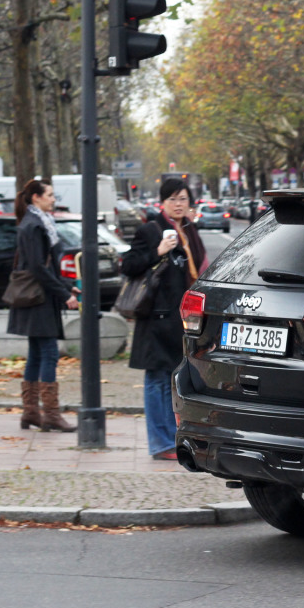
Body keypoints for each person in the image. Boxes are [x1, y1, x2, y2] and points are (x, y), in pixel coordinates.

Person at [121, 178, 207, 461]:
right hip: (157, 319)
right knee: (157, 380)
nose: (179, 204)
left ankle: (175, 437)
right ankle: (160, 443)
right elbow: (129, 265)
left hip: (183, 318)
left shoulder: (190, 231)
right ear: (163, 202)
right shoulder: (151, 229)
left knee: (176, 380)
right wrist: (156, 251)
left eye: (183, 199)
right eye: (173, 199)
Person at [7, 180, 79, 432]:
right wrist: (63, 294)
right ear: (36, 198)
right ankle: (50, 414)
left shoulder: (34, 222)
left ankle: (30, 413)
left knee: (37, 353)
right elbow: (38, 266)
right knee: (48, 353)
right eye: (49, 195)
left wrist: (67, 285)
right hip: (38, 300)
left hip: (36, 298)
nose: (53, 199)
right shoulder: (35, 225)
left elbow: (43, 264)